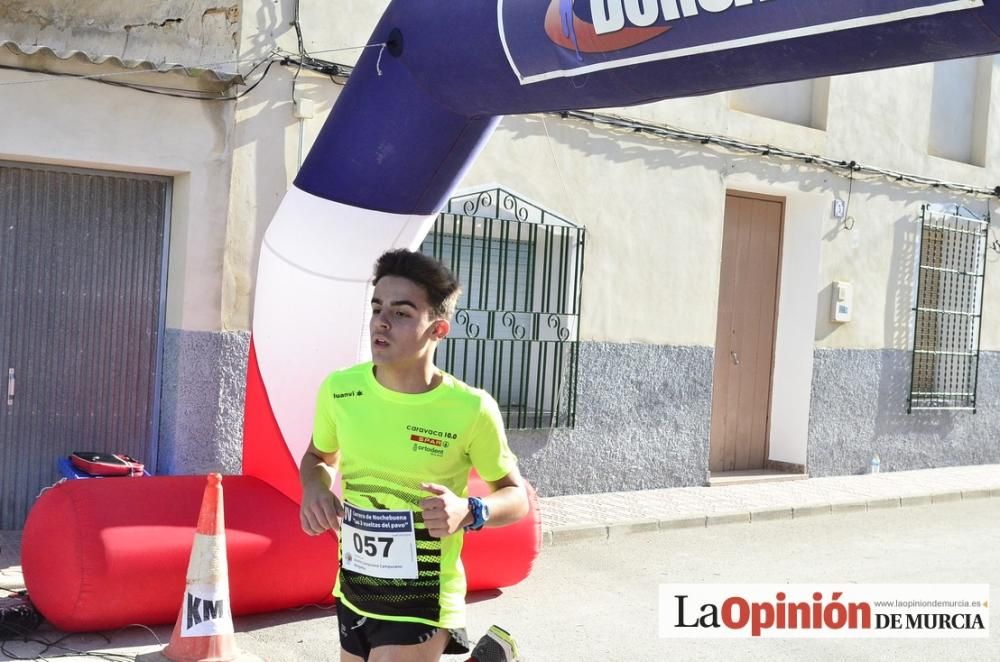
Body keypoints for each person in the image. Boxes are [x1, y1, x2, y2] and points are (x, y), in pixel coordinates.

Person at [299, 249, 529, 662]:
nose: (382, 322)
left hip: (424, 591)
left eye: (402, 313)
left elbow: (516, 498)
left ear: (438, 329)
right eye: (377, 308)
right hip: (354, 585)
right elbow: (318, 456)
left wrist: (470, 510)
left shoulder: (471, 408)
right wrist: (314, 487)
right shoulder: (339, 390)